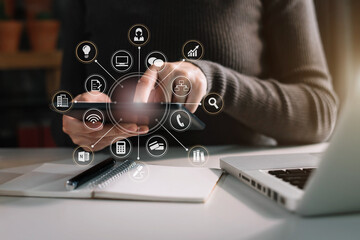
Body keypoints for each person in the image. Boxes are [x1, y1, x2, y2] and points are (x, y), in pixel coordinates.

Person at [53, 0, 338, 151]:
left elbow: (318, 111)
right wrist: (79, 124)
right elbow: (62, 115)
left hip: (237, 191)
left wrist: (213, 80)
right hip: (111, 185)